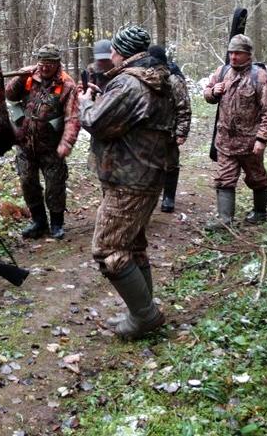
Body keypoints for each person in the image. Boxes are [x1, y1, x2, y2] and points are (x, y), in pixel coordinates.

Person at [80, 25, 178, 340]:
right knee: (133, 245)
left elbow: (96, 122)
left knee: (107, 248)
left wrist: (85, 102)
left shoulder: (129, 83)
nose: (109, 55)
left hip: (129, 179)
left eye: (113, 50)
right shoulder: (161, 80)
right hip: (148, 174)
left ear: (121, 52)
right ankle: (142, 309)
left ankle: (145, 315)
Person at [202, 34, 267, 229]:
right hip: (225, 141)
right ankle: (224, 219)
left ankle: (260, 212)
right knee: (224, 178)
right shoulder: (222, 71)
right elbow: (207, 93)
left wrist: (262, 139)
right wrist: (213, 92)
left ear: (248, 55)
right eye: (231, 53)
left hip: (249, 143)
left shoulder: (259, 76)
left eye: (238, 53)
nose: (233, 57)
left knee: (256, 177)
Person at [5, 43, 80, 240]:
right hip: (26, 144)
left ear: (57, 64)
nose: (44, 68)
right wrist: (19, 77)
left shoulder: (67, 85)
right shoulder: (29, 77)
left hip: (51, 147)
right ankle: (38, 222)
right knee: (28, 182)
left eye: (49, 64)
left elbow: (72, 118)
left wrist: (67, 143)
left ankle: (57, 224)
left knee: (55, 185)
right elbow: (9, 95)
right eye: (41, 63)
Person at [148, 45, 192, 212]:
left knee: (171, 164)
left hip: (170, 130)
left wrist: (182, 132)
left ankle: (168, 198)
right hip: (151, 130)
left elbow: (184, 107)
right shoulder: (147, 77)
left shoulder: (174, 79)